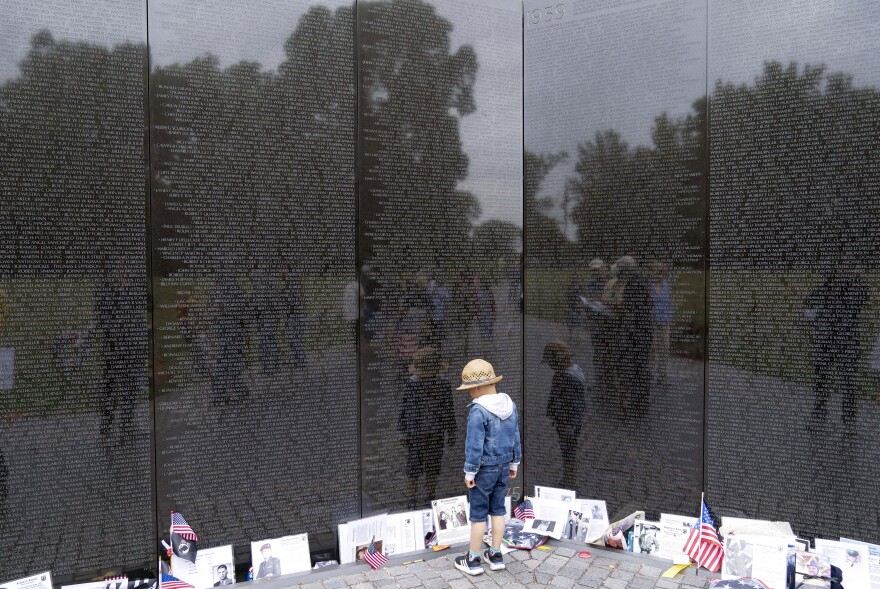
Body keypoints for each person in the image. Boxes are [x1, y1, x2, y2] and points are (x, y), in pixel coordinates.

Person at [453, 359, 521, 576]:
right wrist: (514, 462)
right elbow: (516, 437)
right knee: (499, 510)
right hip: (503, 467)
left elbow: (474, 444)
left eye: (469, 390)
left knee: (479, 514)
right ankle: (495, 554)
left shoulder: (478, 411)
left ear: (476, 388)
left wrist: (470, 471)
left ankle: (472, 559)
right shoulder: (510, 405)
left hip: (484, 470)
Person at [397, 346, 456, 507]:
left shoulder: (443, 385)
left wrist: (451, 431)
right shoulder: (412, 385)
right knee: (413, 467)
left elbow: (448, 409)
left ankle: (430, 495)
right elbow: (404, 409)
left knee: (432, 467)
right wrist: (402, 432)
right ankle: (411, 499)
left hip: (435, 433)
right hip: (416, 433)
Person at [542, 340, 586, 489]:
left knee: (569, 452)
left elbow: (575, 405)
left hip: (567, 423)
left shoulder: (567, 378)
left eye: (551, 362)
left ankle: (570, 480)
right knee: (566, 450)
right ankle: (568, 478)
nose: (550, 366)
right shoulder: (568, 374)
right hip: (565, 422)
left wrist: (570, 426)